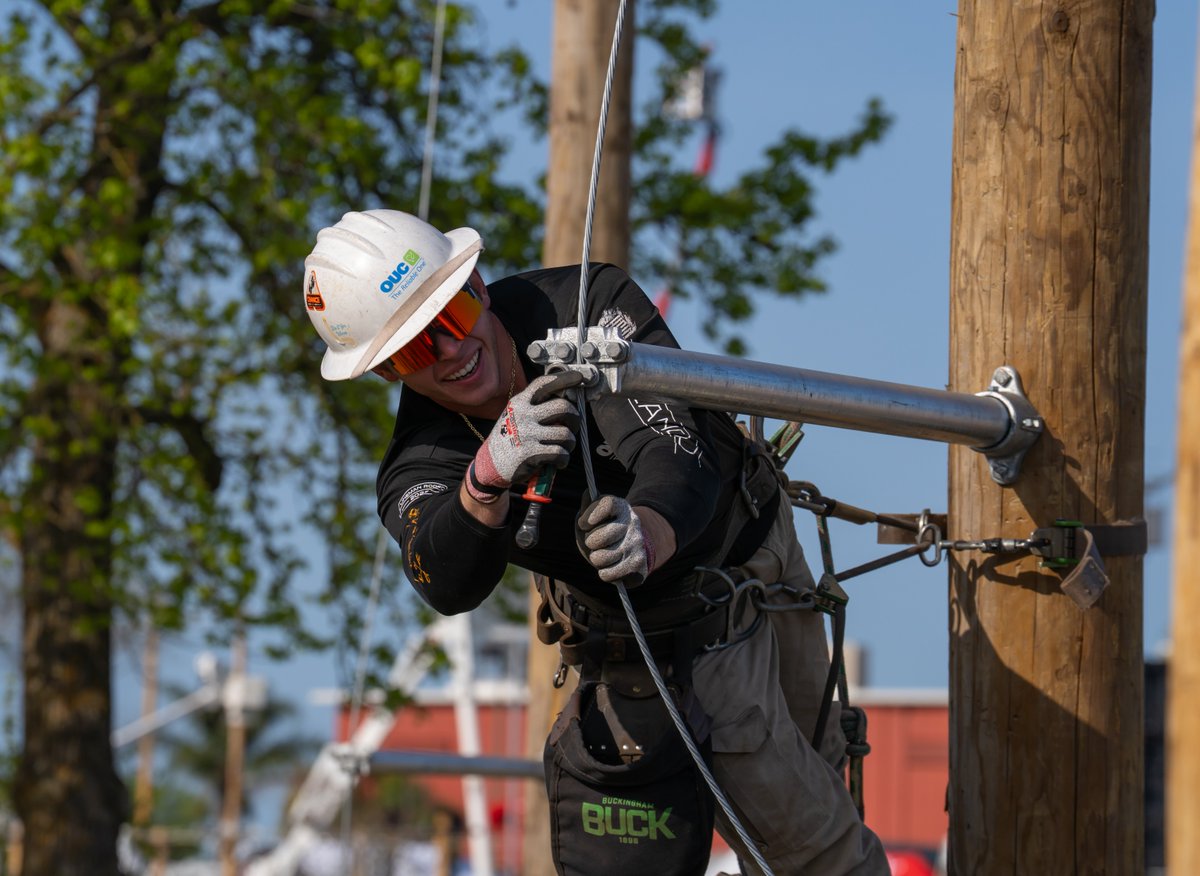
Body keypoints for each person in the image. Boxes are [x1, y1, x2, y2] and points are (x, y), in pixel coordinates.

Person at [303, 209, 888, 874]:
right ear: (385, 373)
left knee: (821, 769)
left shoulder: (583, 307)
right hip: (676, 645)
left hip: (762, 546)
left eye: (452, 315)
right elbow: (445, 575)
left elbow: (675, 450)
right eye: (411, 350)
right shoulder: (424, 461)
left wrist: (647, 531)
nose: (447, 350)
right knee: (820, 854)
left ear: (479, 286)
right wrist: (485, 481)